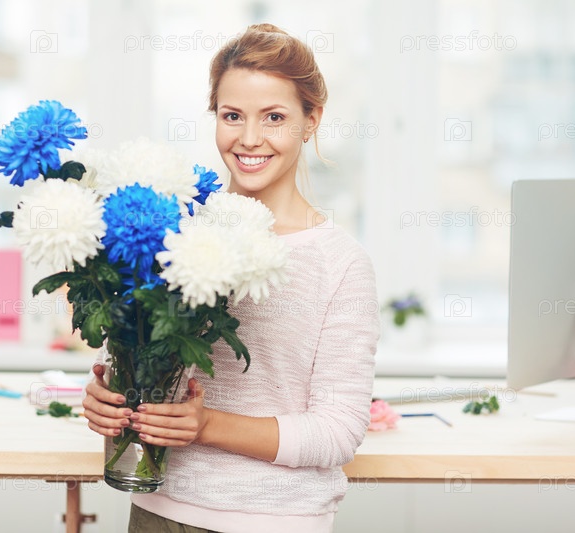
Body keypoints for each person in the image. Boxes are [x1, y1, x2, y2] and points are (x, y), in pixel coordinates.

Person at [82, 23, 379, 533]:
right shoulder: (174, 233)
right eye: (232, 115)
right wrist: (109, 402)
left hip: (276, 521)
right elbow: (138, 364)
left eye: (274, 117)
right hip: (159, 512)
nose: (249, 138)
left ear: (311, 121)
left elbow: (338, 431)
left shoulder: (341, 263)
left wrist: (206, 425)